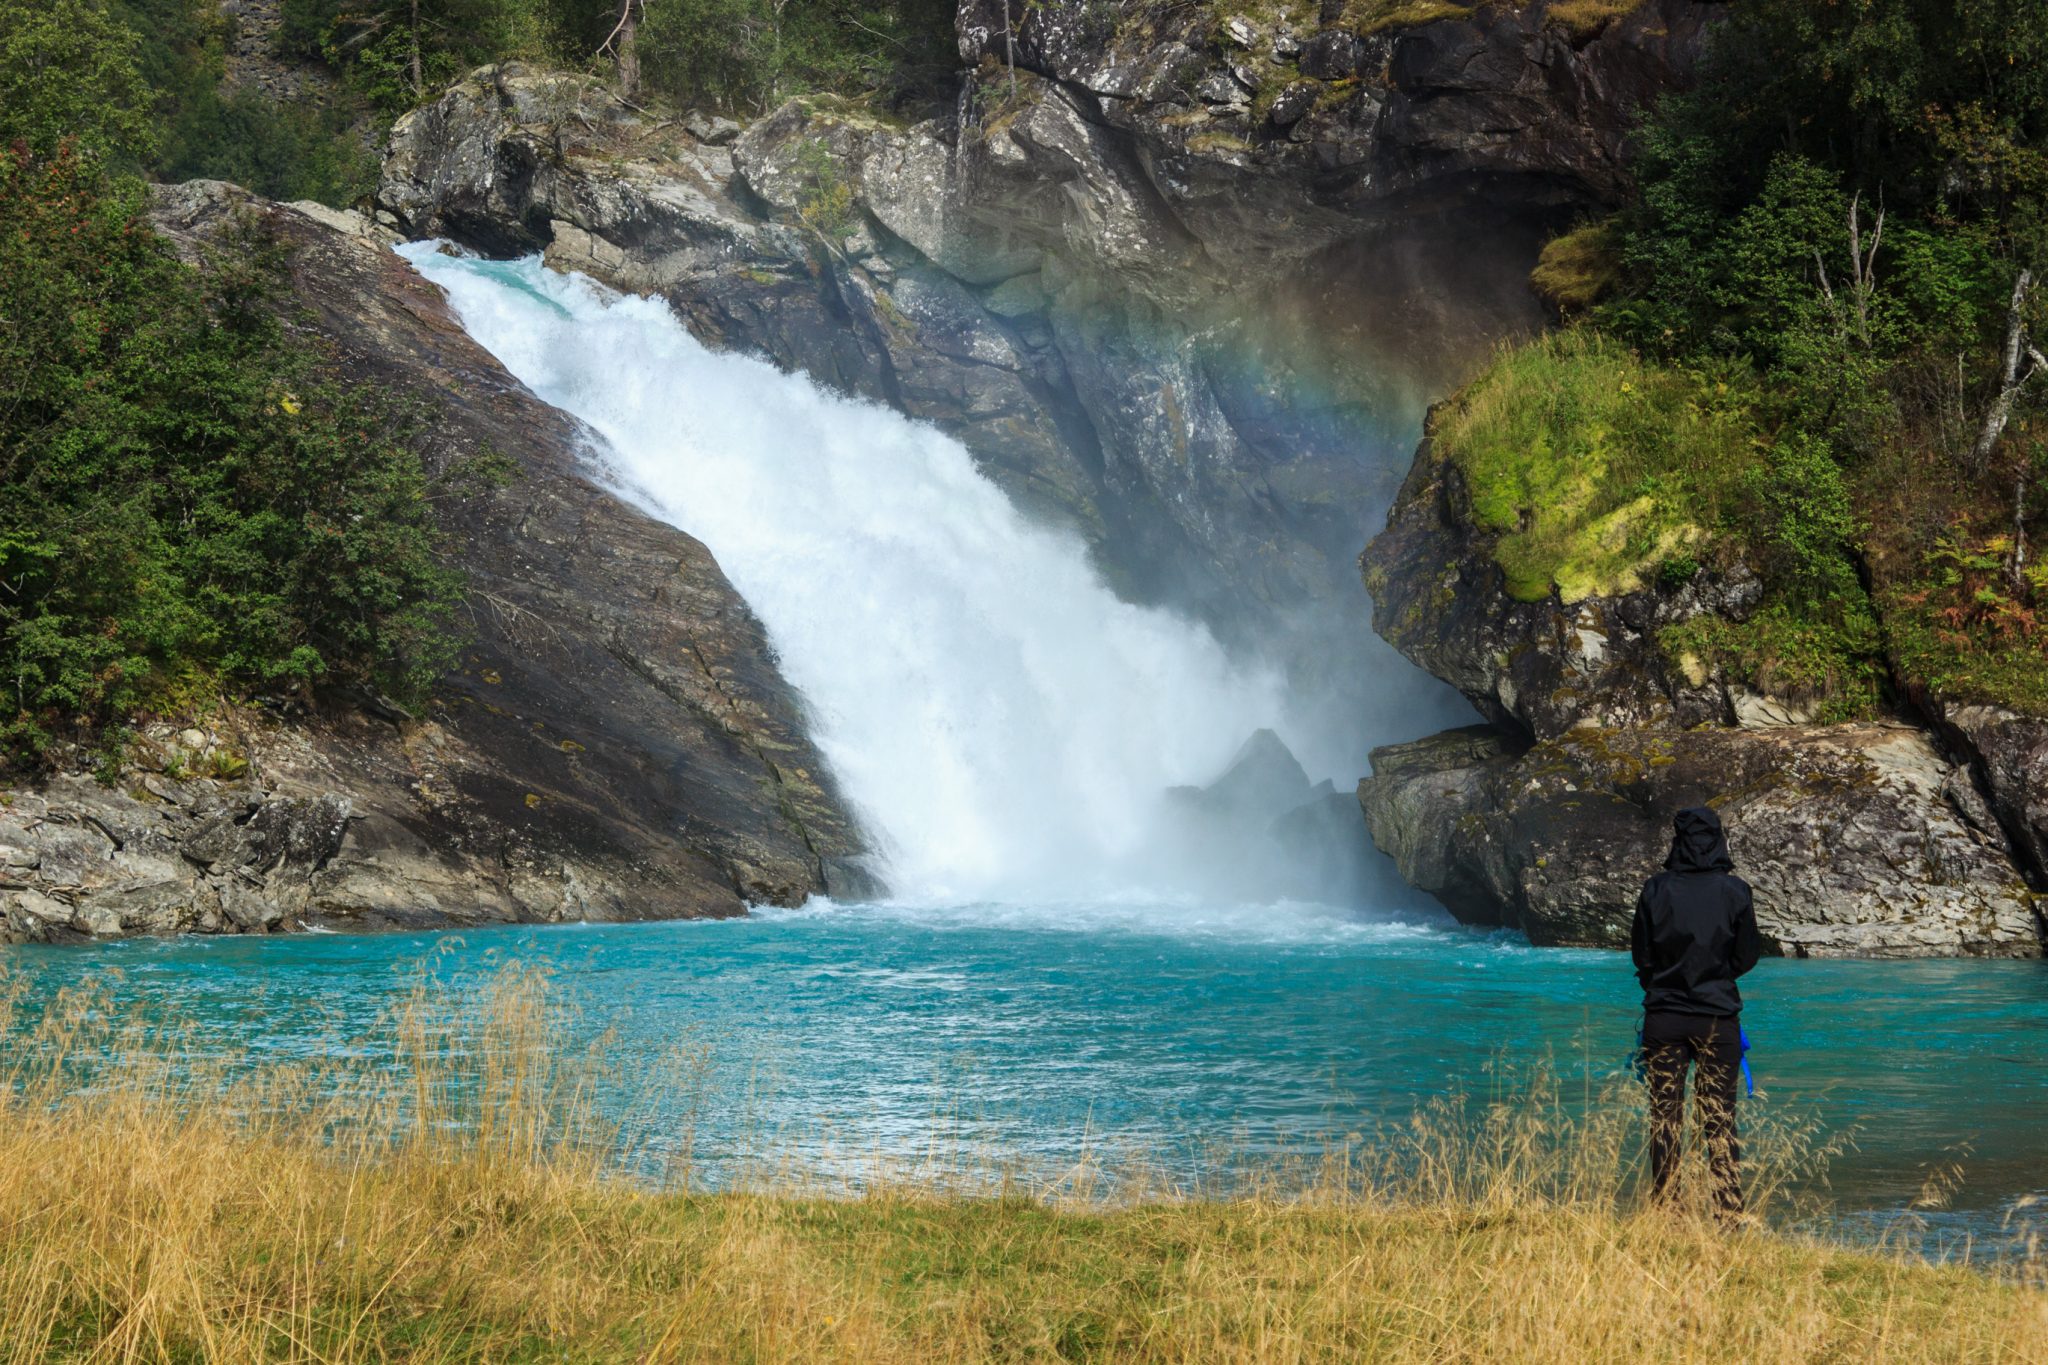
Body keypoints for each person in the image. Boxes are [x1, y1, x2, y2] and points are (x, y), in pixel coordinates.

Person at [1630, 805, 1763, 1220]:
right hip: (1717, 1018)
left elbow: (1642, 955)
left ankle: (1668, 1213)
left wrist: (1663, 982)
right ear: (1718, 840)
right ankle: (1727, 1215)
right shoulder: (1735, 890)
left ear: (1677, 841)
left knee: (1665, 1120)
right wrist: (1718, 976)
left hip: (1664, 1017)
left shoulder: (1655, 889)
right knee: (1720, 1118)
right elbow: (1748, 955)